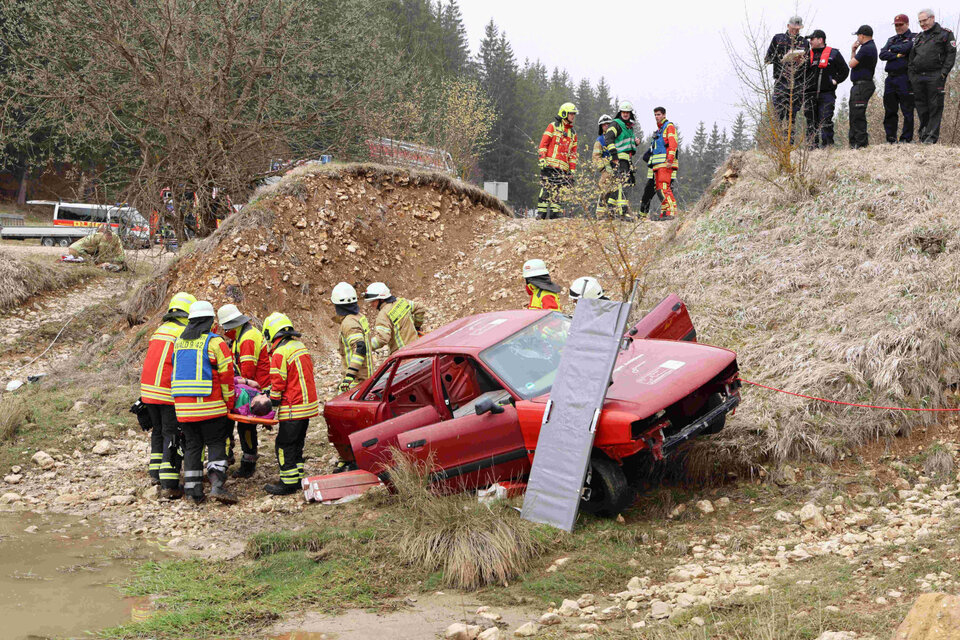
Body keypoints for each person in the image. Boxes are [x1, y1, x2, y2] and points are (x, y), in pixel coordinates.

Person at [170, 300, 237, 504]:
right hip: (211, 408)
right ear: (210, 322)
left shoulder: (178, 342)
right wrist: (230, 403)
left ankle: (193, 492)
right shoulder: (215, 343)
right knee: (216, 444)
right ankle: (217, 486)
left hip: (184, 411)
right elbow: (227, 377)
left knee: (192, 447)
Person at [139, 291, 195, 498]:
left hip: (148, 393)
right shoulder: (183, 334)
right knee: (172, 435)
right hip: (168, 393)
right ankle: (170, 482)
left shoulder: (159, 331)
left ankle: (155, 472)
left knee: (158, 432)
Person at [261, 313, 319, 495]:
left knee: (284, 444)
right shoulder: (299, 346)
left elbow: (279, 382)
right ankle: (297, 476)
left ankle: (287, 482)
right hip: (307, 405)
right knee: (297, 443)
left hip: (293, 406)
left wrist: (272, 405)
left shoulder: (280, 352)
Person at [217, 304, 271, 479]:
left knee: (246, 427)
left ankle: (248, 463)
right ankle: (234, 457)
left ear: (232, 325)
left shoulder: (247, 339)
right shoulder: (243, 336)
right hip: (249, 388)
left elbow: (246, 372)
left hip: (252, 390)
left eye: (226, 329)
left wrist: (236, 385)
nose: (225, 332)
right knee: (240, 426)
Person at [908, 9, 957, 144]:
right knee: (921, 108)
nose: (923, 24)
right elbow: (912, 58)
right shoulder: (919, 37)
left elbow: (951, 54)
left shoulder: (945, 34)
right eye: (920, 22)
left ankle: (931, 138)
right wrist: (912, 76)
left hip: (935, 75)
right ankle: (923, 135)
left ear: (932, 18)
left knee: (935, 107)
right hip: (918, 78)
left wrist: (943, 73)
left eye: (925, 20)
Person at [804, 30, 849, 148]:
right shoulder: (807, 55)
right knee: (810, 122)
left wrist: (835, 80)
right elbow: (800, 73)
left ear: (820, 40)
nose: (810, 42)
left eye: (812, 39)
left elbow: (844, 70)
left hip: (827, 94)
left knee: (826, 121)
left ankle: (827, 147)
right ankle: (811, 148)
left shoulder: (834, 53)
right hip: (809, 94)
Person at [537, 102, 578, 219]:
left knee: (559, 193)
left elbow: (573, 154)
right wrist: (542, 159)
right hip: (549, 165)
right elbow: (543, 144)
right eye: (571, 114)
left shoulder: (573, 133)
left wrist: (572, 171)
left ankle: (555, 215)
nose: (573, 116)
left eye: (574, 114)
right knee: (546, 189)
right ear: (564, 113)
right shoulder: (553, 126)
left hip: (563, 169)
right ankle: (541, 214)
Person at [765, 16, 810, 124]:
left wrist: (801, 61)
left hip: (797, 83)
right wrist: (783, 58)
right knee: (778, 114)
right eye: (793, 28)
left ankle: (790, 140)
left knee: (792, 118)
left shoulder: (804, 43)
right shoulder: (778, 39)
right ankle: (777, 140)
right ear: (788, 26)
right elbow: (768, 59)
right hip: (781, 80)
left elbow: (808, 65)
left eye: (798, 28)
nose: (795, 30)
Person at [879, 15, 916, 143]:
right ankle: (891, 138)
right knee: (890, 110)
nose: (898, 27)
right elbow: (882, 54)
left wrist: (893, 50)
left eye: (901, 24)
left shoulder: (914, 37)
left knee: (907, 110)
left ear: (907, 24)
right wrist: (899, 54)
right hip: (890, 78)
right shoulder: (891, 39)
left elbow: (907, 48)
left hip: (905, 78)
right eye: (896, 25)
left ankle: (906, 138)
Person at [330, 282, 373, 392]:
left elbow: (360, 347)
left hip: (356, 381)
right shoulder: (360, 317)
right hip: (367, 376)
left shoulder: (348, 323)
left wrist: (349, 376)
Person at [599, 102, 639, 218]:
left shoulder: (628, 127)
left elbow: (627, 145)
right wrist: (614, 156)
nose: (625, 114)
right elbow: (608, 138)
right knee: (622, 185)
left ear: (630, 113)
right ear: (620, 113)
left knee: (620, 186)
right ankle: (623, 212)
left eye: (627, 112)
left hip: (626, 160)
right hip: (619, 160)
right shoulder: (616, 124)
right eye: (623, 112)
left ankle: (610, 211)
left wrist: (636, 143)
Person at [363, 282, 425, 354]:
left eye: (373, 301)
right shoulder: (401, 302)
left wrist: (366, 346)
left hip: (403, 355)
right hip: (418, 347)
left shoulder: (383, 315)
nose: (371, 304)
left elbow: (382, 339)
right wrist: (417, 326)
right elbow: (420, 308)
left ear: (382, 299)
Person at [848, 25, 878, 148]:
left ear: (862, 35)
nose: (857, 38)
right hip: (860, 85)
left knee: (858, 114)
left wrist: (853, 51)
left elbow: (851, 63)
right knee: (854, 114)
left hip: (862, 85)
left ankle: (860, 143)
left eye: (858, 36)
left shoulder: (867, 48)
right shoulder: (868, 47)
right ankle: (854, 143)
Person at [649, 107, 679, 221]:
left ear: (664, 115)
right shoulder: (659, 130)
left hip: (665, 163)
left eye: (659, 114)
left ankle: (672, 212)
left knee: (664, 188)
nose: (657, 117)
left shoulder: (669, 127)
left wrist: (670, 160)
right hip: (657, 164)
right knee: (659, 189)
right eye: (655, 115)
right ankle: (665, 212)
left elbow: (673, 144)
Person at [592, 114, 618, 216]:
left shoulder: (616, 138)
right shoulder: (600, 141)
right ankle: (600, 215)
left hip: (617, 170)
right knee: (604, 192)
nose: (606, 126)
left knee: (616, 193)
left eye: (608, 124)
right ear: (601, 127)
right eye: (604, 125)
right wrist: (605, 166)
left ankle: (613, 213)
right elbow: (595, 158)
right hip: (606, 172)